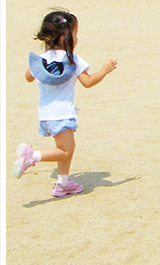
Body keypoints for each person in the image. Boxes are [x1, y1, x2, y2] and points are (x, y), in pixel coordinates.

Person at [13, 11, 118, 197]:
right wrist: (105, 70)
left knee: (63, 148)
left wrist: (40, 64)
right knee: (66, 151)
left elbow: (28, 77)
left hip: (45, 115)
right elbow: (89, 82)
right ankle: (32, 156)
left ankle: (63, 182)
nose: (77, 38)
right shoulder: (74, 60)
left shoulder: (41, 59)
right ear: (65, 37)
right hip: (63, 113)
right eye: (75, 34)